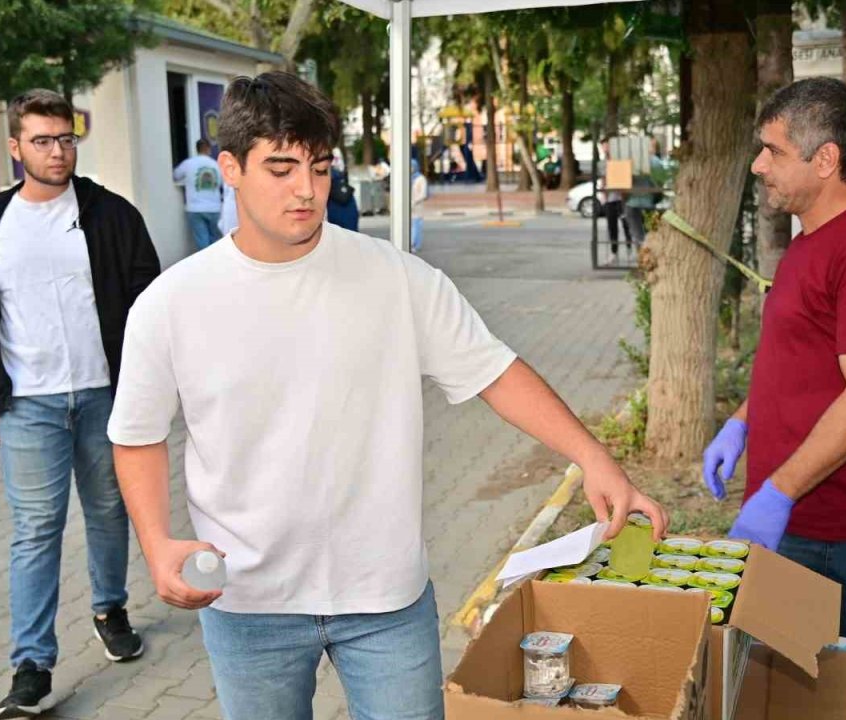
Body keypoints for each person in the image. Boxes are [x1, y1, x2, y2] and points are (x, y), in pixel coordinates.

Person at [107, 71, 670, 720]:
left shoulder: (397, 279)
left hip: (384, 598)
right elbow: (136, 434)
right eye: (281, 168)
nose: (306, 191)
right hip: (248, 603)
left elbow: (496, 372)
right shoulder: (171, 304)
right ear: (229, 168)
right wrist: (156, 542)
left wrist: (595, 459)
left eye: (319, 169)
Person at [0, 88, 161, 719]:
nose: (57, 151)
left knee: (108, 509)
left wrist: (150, 387)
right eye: (42, 141)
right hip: (27, 403)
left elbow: (148, 304)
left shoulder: (111, 214)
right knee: (36, 531)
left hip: (105, 394)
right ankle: (31, 666)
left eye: (66, 138)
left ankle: (110, 606)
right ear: (15, 147)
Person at [701, 77, 846, 640]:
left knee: (826, 695)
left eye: (773, 150)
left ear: (825, 158)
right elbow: (799, 363)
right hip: (799, 516)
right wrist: (741, 422)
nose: (758, 165)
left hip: (832, 533)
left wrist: (779, 493)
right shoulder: (810, 242)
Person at [174, 139, 225, 250]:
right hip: (214, 208)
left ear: (196, 149)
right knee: (216, 240)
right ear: (208, 149)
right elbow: (222, 183)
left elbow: (176, 175)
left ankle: (206, 265)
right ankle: (216, 264)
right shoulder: (216, 165)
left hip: (195, 208)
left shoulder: (188, 163)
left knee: (202, 241)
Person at [598, 139, 633, 266]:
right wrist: (603, 193)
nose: (605, 149)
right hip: (609, 200)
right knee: (612, 227)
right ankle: (614, 253)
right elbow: (602, 179)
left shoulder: (619, 161)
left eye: (607, 147)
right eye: (603, 147)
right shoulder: (603, 163)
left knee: (626, 225)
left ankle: (630, 250)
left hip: (621, 198)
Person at [410, 158, 427, 251]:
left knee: (417, 226)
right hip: (410, 206)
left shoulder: (421, 179)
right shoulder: (409, 178)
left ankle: (415, 244)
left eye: (412, 167)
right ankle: (410, 243)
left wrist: (414, 201)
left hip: (418, 206)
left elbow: (423, 194)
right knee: (411, 226)